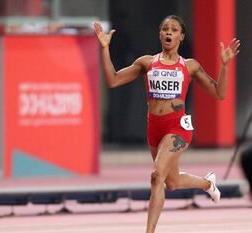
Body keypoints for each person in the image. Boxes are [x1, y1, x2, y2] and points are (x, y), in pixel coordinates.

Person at [94, 15, 240, 233]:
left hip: (178, 126)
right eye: (164, 29)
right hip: (154, 126)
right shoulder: (147, 62)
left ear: (181, 36)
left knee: (156, 177)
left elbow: (219, 93)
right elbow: (113, 80)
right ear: (160, 34)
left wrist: (225, 66)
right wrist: (105, 49)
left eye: (173, 29)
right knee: (170, 182)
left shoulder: (189, 66)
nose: (168, 32)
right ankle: (207, 183)